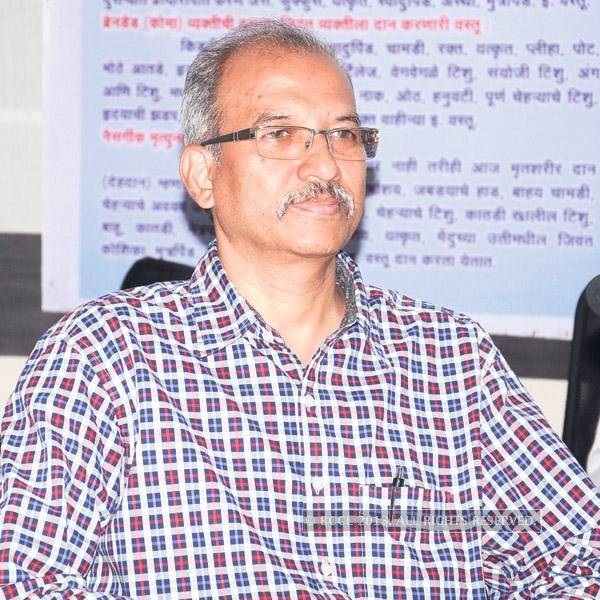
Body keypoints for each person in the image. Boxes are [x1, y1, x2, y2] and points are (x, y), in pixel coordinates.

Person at [1, 19, 600, 599]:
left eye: (344, 135)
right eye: (281, 135)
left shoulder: (451, 359)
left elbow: (579, 560)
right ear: (203, 174)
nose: (325, 166)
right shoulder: (101, 357)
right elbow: (25, 580)